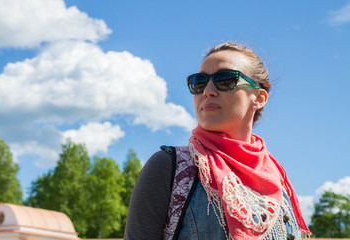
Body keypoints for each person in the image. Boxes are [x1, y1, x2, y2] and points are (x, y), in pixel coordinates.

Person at [124, 42, 311, 240]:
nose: (208, 90)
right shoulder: (168, 166)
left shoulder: (280, 181)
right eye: (199, 81)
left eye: (226, 79)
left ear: (259, 97)